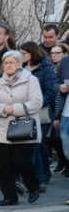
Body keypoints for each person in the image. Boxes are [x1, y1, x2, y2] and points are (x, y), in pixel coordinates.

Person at [0, 50, 43, 206]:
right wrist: (5, 109)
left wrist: (16, 109)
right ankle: (10, 196)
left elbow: (36, 103)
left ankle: (34, 187)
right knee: (2, 165)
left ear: (20, 64)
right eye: (5, 63)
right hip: (3, 129)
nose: (8, 65)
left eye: (11, 62)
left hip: (25, 128)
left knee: (21, 161)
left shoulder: (30, 80)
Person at [19, 41, 56, 191]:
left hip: (40, 113)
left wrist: (35, 104)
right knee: (36, 147)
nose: (20, 56)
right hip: (23, 112)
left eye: (23, 54)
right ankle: (41, 179)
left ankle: (28, 180)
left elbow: (50, 91)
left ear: (32, 53)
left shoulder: (45, 69)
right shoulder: (20, 69)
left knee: (32, 146)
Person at [48, 43, 69, 174]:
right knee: (67, 151)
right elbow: (56, 83)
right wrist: (60, 87)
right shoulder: (66, 62)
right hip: (66, 114)